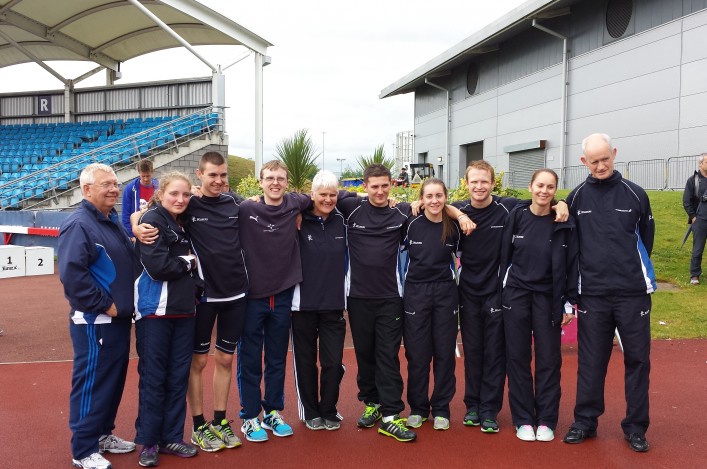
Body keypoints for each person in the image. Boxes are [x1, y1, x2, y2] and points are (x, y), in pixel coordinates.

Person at [336, 164, 472, 442]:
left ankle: (393, 413)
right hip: (360, 298)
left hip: (393, 297)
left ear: (391, 185)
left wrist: (458, 212)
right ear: (365, 186)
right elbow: (324, 195)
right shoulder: (352, 208)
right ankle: (374, 404)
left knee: (390, 355)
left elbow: (441, 207)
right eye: (374, 186)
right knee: (367, 355)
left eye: (385, 185)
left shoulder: (402, 215)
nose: (380, 191)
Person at [132, 152, 249, 453]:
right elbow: (151, 213)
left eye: (223, 175)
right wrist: (136, 223)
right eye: (212, 175)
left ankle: (220, 421)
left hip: (235, 295)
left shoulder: (235, 202)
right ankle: (197, 427)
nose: (219, 180)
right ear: (200, 174)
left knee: (224, 360)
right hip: (202, 298)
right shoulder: (189, 205)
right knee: (195, 363)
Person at [452, 160, 568, 434]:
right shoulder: (458, 210)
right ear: (466, 184)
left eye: (485, 181)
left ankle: (490, 410)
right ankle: (473, 406)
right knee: (473, 352)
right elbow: (439, 205)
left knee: (496, 353)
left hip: (499, 292)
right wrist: (458, 215)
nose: (479, 186)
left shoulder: (509, 208)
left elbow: (541, 200)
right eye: (474, 181)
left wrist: (561, 202)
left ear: (493, 184)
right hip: (468, 291)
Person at [562, 133, 656, 453]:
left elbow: (647, 239)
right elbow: (570, 248)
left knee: (638, 360)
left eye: (605, 158)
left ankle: (635, 427)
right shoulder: (575, 199)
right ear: (583, 161)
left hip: (632, 294)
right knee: (591, 361)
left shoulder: (636, 195)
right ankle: (585, 421)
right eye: (594, 160)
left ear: (614, 154)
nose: (601, 165)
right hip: (593, 295)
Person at [58, 163, 139, 469]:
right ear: (87, 189)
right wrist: (108, 305)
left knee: (112, 381)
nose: (114, 189)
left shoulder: (110, 221)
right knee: (92, 382)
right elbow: (72, 275)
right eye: (106, 184)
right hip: (95, 322)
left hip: (115, 322)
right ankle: (83, 450)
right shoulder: (78, 224)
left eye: (116, 183)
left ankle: (102, 435)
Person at [498, 169, 578, 443]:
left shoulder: (563, 221)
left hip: (549, 299)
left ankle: (545, 420)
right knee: (518, 359)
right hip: (517, 296)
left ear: (556, 191)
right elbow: (504, 258)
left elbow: (571, 265)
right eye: (540, 185)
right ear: (530, 187)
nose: (544, 191)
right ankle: (523, 419)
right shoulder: (516, 216)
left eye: (550, 187)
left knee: (548, 361)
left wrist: (569, 302)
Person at [237, 160, 312, 442]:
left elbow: (332, 195)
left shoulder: (295, 203)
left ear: (287, 183)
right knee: (250, 359)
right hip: (252, 297)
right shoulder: (246, 208)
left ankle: (272, 412)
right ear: (260, 181)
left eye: (280, 178)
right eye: (270, 178)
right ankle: (249, 417)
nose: (275, 183)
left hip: (281, 296)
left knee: (278, 358)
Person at [133, 171, 199, 466]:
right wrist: (187, 263)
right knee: (153, 378)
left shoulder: (181, 220)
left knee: (177, 378)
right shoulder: (154, 220)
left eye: (185, 194)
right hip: (155, 313)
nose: (181, 199)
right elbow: (159, 267)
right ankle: (148, 441)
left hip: (184, 312)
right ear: (160, 194)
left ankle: (172, 436)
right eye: (174, 194)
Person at [402, 178, 461, 432]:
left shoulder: (454, 226)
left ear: (446, 197)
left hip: (446, 293)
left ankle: (441, 409)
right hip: (416, 293)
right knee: (417, 354)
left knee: (445, 354)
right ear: (421, 199)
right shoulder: (410, 222)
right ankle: (417, 408)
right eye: (429, 196)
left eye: (439, 195)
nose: (434, 201)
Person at [291, 170, 347, 431]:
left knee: (333, 362)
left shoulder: (343, 219)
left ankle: (329, 408)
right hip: (302, 305)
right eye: (322, 194)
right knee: (305, 361)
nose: (327, 199)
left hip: (334, 304)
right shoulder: (297, 219)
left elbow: (358, 196)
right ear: (311, 195)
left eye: (332, 194)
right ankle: (311, 410)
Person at [682, 153, 707, 285]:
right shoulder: (693, 180)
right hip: (700, 220)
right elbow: (686, 201)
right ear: (700, 164)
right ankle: (695, 275)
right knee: (698, 249)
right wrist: (693, 217)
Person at [122, 159, 158, 240]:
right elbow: (125, 214)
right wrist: (131, 235)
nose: (145, 179)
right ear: (139, 173)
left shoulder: (158, 187)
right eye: (143, 176)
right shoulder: (130, 188)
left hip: (154, 231)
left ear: (152, 172)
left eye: (148, 176)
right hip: (136, 233)